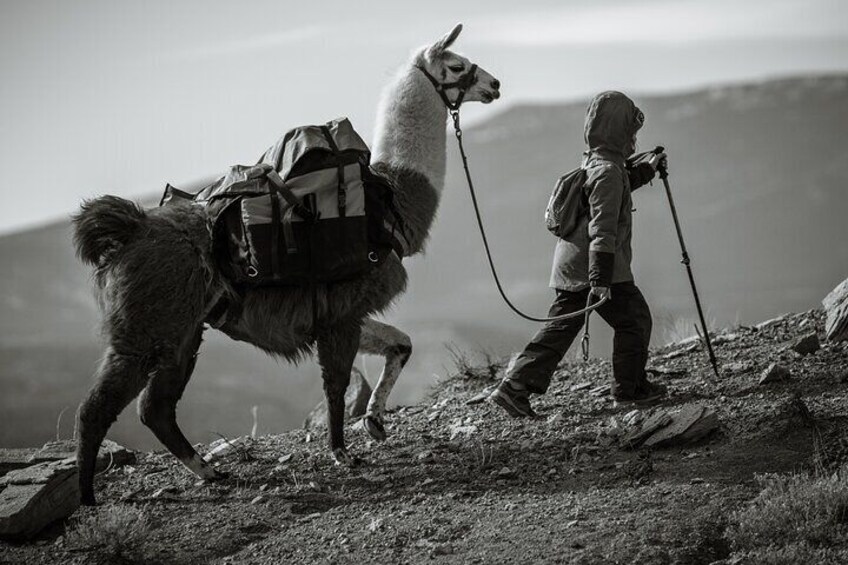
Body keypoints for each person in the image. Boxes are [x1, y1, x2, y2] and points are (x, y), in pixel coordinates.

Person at [489, 91, 668, 418]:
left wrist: (647, 170)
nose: (634, 139)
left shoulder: (597, 162)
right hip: (597, 269)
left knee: (561, 329)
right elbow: (603, 227)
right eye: (631, 131)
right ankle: (630, 391)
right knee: (635, 320)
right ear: (619, 131)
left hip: (572, 266)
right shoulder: (610, 172)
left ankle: (514, 386)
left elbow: (614, 191)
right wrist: (600, 279)